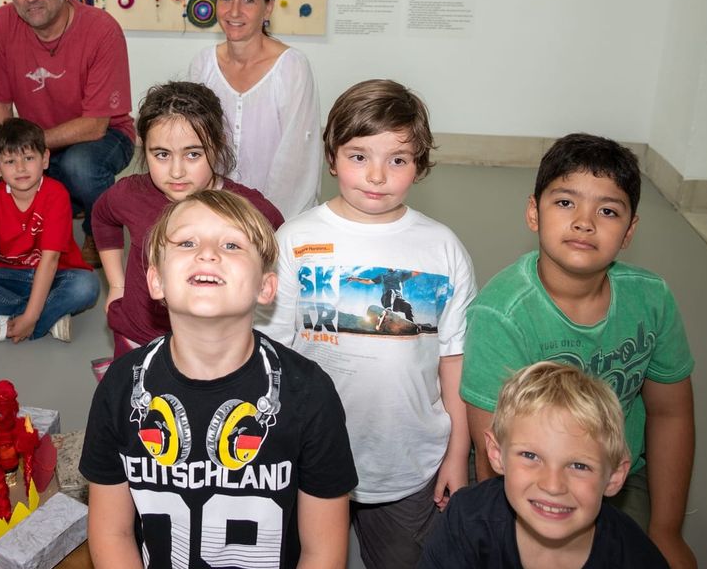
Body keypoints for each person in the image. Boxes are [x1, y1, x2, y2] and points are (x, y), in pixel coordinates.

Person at [258, 80, 476, 568]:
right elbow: (269, 352)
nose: (377, 175)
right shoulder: (295, 239)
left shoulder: (442, 247)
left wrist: (458, 453)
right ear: (331, 157)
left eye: (397, 159)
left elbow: (454, 358)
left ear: (419, 166)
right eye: (359, 156)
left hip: (408, 462)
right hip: (306, 459)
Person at [81, 190, 358, 568]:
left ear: (266, 287)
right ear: (156, 281)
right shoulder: (120, 387)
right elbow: (112, 533)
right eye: (187, 242)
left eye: (231, 244)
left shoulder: (309, 393)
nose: (207, 253)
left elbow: (322, 552)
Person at [461, 133, 697, 568]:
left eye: (607, 211)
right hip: (528, 475)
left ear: (629, 232)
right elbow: (497, 456)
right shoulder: (502, 315)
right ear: (534, 212)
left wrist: (667, 529)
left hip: (618, 476)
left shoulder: (652, 299)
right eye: (565, 203)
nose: (585, 222)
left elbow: (671, 413)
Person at [92, 81, 283, 358]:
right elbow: (102, 217)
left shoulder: (249, 208)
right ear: (143, 150)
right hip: (137, 337)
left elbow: (284, 246)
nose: (177, 171)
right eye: (161, 155)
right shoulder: (130, 194)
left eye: (193, 154)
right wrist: (117, 285)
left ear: (217, 147)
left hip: (213, 348)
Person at [0, 0, 135, 263]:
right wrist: (13, 154)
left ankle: (98, 228)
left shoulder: (102, 30)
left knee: (80, 166)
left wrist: (26, 149)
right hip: (41, 139)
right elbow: (0, 106)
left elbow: (95, 125)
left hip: (106, 135)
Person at [420, 362, 669, 568]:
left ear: (614, 476)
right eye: (530, 456)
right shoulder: (467, 520)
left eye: (579, 466)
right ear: (496, 454)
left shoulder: (636, 557)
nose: (552, 485)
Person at [188, 0, 322, 219]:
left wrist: (267, 223)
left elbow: (297, 163)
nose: (234, 11)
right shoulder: (203, 65)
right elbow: (194, 146)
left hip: (277, 219)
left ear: (268, 8)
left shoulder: (292, 67)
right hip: (214, 214)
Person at [0, 118, 99, 350]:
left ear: (45, 159)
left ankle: (10, 323)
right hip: (11, 277)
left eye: (29, 158)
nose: (20, 168)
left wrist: (30, 317)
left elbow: (50, 261)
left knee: (87, 287)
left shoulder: (56, 195)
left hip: (56, 276)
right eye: (10, 161)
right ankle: (48, 317)